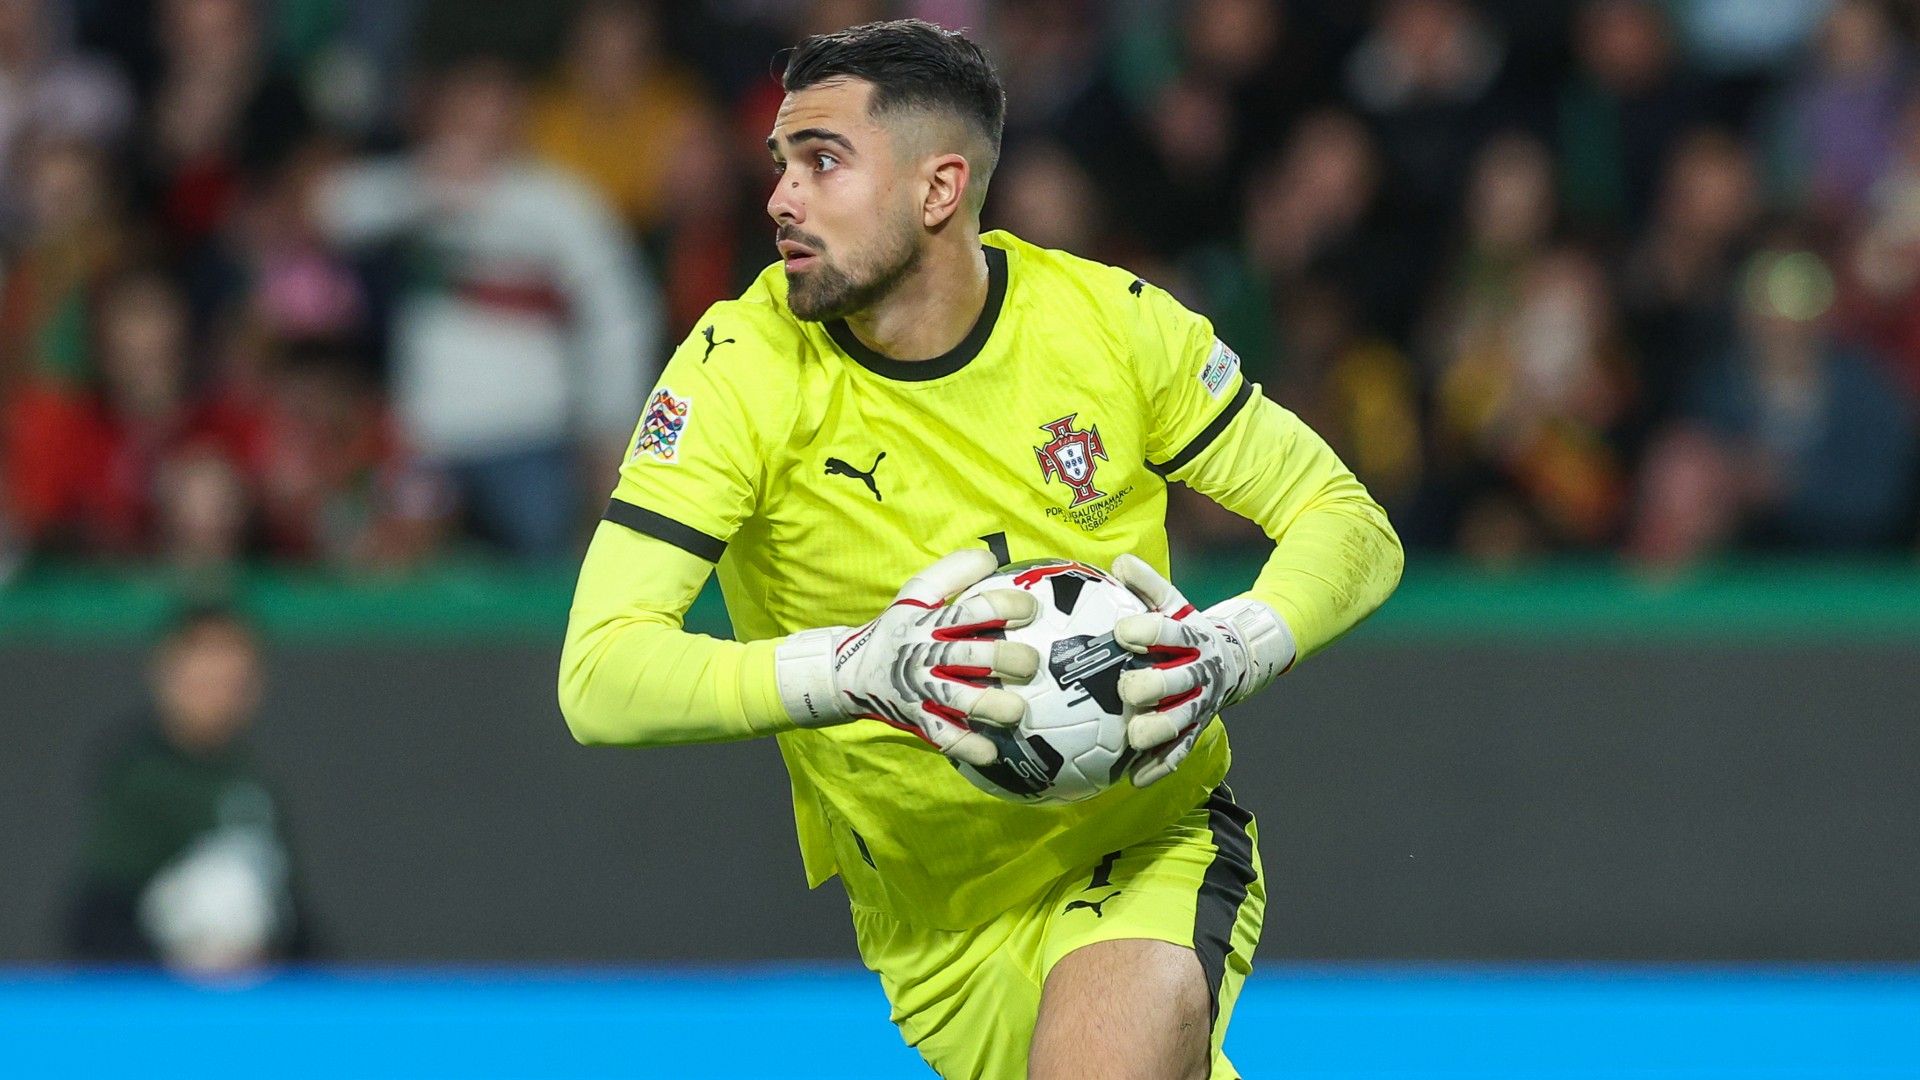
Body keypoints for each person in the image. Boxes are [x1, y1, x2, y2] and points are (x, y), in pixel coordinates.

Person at [558, 20, 1402, 1079]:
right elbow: (599, 675)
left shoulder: (1109, 325)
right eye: (781, 163)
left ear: (938, 189)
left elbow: (1349, 522)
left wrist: (1235, 646)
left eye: (823, 162)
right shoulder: (739, 369)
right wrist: (861, 670)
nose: (781, 197)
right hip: (929, 923)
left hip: (1139, 841)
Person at [66, 605, 314, 974]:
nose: (217, 692)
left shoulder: (254, 783)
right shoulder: (140, 779)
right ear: (168, 675)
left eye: (232, 678)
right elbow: (97, 918)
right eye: (203, 676)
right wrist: (182, 968)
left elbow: (294, 920)